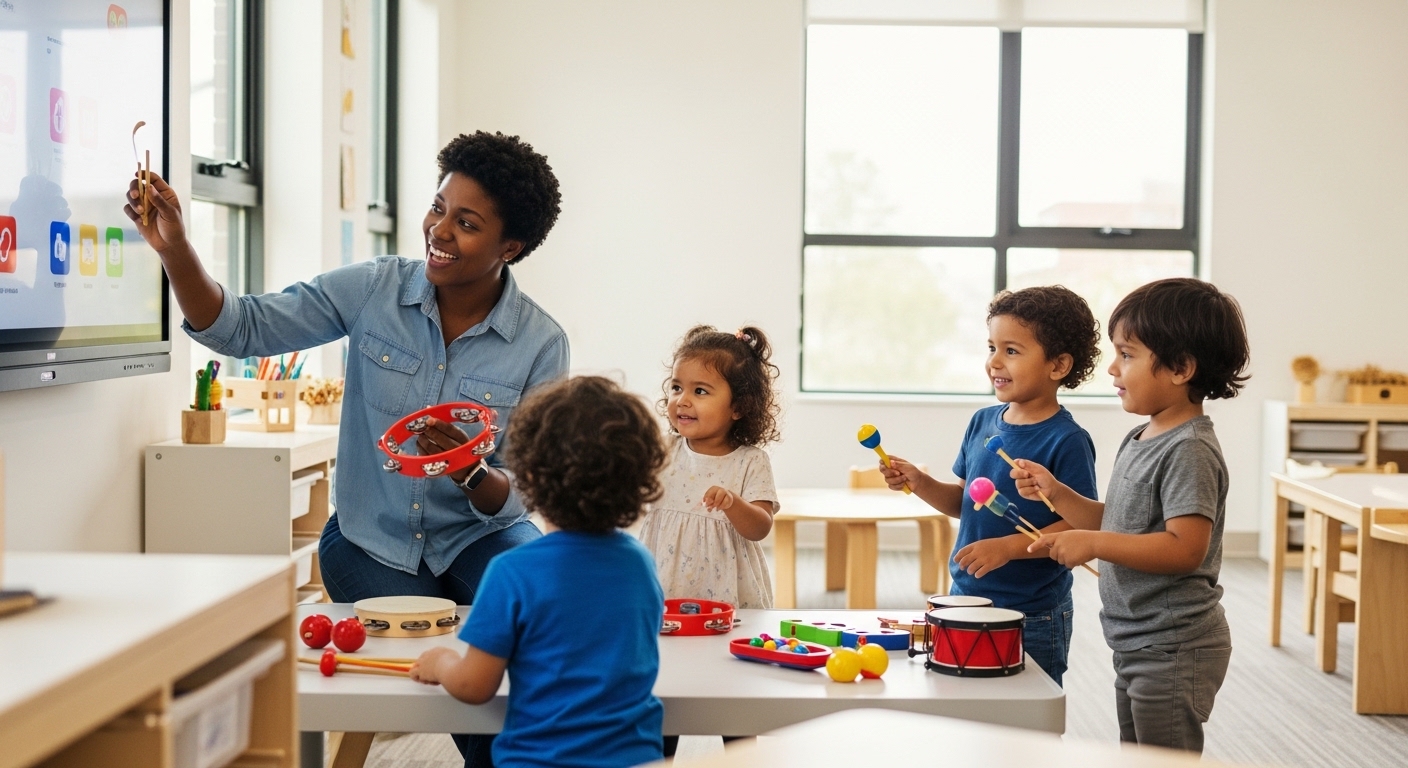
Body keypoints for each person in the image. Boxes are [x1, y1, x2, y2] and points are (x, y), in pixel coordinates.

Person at [125, 130, 568, 766]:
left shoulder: (540, 343)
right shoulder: (374, 290)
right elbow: (240, 328)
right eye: (438, 208)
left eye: (466, 224)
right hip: (372, 539)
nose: (439, 230)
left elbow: (526, 490)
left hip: (482, 537)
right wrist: (176, 251)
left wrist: (471, 472)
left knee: (536, 617)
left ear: (510, 247)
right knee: (435, 643)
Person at [1016, 277, 1249, 754]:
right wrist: (1056, 493)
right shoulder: (1142, 437)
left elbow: (1184, 549)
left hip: (1175, 644)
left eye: (1127, 354)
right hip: (1138, 638)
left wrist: (1094, 545)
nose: (1111, 368)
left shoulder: (1189, 450)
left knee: (1164, 758)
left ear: (1181, 367)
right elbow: (1116, 520)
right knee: (1138, 752)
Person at [410, 376, 667, 768]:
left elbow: (475, 685)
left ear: (528, 477)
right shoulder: (640, 563)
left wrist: (441, 663)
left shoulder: (514, 572)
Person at [879, 286, 1101, 686]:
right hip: (965, 599)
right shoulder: (982, 422)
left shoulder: (1067, 440)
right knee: (964, 699)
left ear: (1059, 365)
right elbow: (966, 503)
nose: (994, 362)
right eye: (991, 347)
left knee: (1029, 715)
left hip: (1030, 612)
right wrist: (921, 482)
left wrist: (1007, 549)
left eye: (1012, 351)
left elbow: (1080, 526)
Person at [637, 325, 782, 610]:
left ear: (738, 407)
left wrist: (734, 504)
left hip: (724, 593)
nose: (682, 400)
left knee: (722, 649)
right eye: (676, 387)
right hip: (665, 584)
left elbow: (760, 528)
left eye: (700, 390)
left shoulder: (750, 461)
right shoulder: (663, 449)